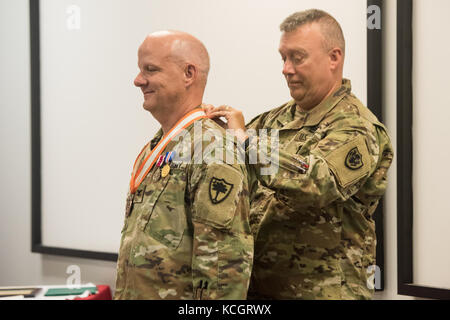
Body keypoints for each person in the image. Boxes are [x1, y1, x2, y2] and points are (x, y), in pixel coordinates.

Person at [206, 9, 393, 299]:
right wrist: (209, 128)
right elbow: (234, 170)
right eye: (283, 57)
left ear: (334, 57)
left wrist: (244, 141)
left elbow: (317, 183)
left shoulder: (357, 127)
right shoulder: (274, 120)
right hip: (260, 291)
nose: (286, 68)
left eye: (297, 57)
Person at [114, 31, 253, 300]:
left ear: (189, 74)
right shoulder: (159, 146)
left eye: (150, 70)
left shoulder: (212, 150)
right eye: (140, 69)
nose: (138, 80)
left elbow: (222, 271)